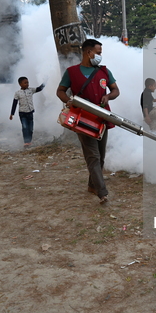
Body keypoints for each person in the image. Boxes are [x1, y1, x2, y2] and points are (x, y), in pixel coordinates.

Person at [56, 39, 120, 205]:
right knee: (93, 156)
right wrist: (68, 101)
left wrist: (108, 96)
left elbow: (115, 90)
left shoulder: (104, 72)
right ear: (88, 52)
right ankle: (102, 192)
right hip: (82, 120)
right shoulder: (72, 72)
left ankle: (92, 186)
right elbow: (60, 91)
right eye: (98, 53)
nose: (100, 56)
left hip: (102, 119)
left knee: (101, 156)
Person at [10, 77, 45, 148]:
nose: (27, 84)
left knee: (31, 128)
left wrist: (45, 82)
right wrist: (12, 114)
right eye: (25, 83)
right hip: (22, 113)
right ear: (20, 84)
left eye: (27, 82)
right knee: (25, 127)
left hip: (30, 112)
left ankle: (29, 141)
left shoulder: (31, 90)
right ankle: (26, 142)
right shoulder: (17, 93)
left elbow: (39, 89)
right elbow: (14, 103)